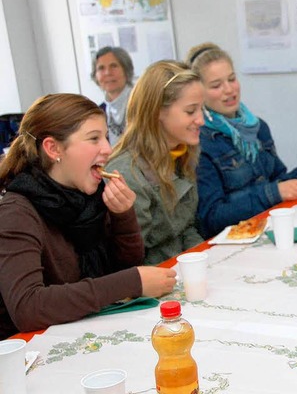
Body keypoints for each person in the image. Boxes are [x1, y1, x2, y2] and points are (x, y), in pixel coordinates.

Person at [0, 93, 176, 339]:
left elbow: (123, 266)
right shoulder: (16, 212)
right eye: (94, 138)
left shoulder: (90, 194)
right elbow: (27, 307)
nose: (108, 148)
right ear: (53, 148)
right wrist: (129, 282)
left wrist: (123, 215)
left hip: (89, 328)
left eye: (105, 136)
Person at [186, 43, 297, 238]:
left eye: (232, 79)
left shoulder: (258, 127)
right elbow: (211, 218)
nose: (229, 90)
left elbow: (276, 182)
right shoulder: (200, 141)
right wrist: (273, 193)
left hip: (269, 228)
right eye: (216, 85)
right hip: (235, 239)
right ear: (199, 93)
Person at [106, 60, 205, 264]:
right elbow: (132, 256)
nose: (201, 120)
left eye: (202, 110)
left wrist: (205, 259)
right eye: (190, 111)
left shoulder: (181, 153)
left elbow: (186, 228)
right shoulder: (127, 173)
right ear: (157, 111)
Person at [90, 46, 135, 146]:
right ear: (95, 76)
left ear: (126, 70)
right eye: (101, 68)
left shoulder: (142, 102)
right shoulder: (97, 113)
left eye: (113, 66)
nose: (107, 73)